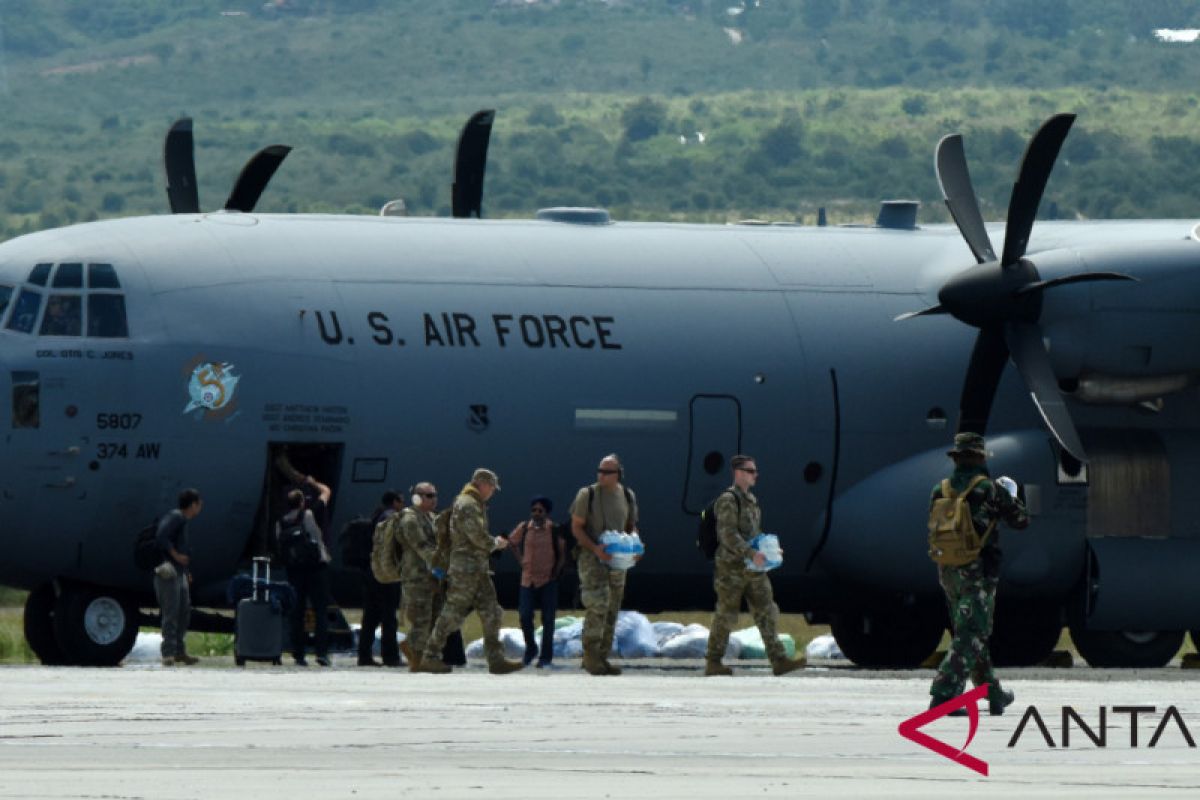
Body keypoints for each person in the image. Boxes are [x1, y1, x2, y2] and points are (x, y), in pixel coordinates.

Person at [928, 432, 1029, 716]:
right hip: (978, 570)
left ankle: (993, 693)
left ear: (958, 458)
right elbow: (1020, 520)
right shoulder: (987, 489)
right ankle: (944, 694)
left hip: (948, 569)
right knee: (973, 631)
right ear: (980, 458)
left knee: (971, 631)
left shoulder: (941, 489)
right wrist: (1009, 495)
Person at [704, 456, 805, 677]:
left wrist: (770, 552)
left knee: (767, 611)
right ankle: (713, 661)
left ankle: (779, 660)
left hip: (754, 568)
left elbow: (754, 534)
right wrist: (751, 553)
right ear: (738, 472)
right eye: (750, 471)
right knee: (726, 614)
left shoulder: (751, 500)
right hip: (731, 569)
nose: (755, 475)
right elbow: (727, 535)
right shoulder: (728, 500)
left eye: (755, 471)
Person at [415, 469, 523, 675]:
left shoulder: (473, 503)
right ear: (482, 484)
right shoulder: (468, 504)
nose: (492, 491)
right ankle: (429, 656)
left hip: (478, 569)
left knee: (492, 612)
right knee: (452, 613)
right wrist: (496, 543)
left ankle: (496, 659)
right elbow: (476, 535)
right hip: (466, 569)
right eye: (491, 487)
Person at [570, 454, 638, 676]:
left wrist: (635, 546)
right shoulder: (586, 495)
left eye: (607, 472)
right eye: (600, 470)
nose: (601, 475)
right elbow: (577, 527)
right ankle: (590, 655)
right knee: (597, 604)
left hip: (618, 561)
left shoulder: (627, 496)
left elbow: (631, 526)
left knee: (612, 608)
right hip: (592, 558)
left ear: (618, 474)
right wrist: (594, 548)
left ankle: (602, 656)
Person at [277, 481, 333, 667]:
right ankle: (322, 653)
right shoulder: (308, 514)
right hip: (315, 569)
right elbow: (316, 537)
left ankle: (298, 654)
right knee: (320, 611)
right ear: (302, 502)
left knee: (297, 612)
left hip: (294, 572)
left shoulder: (281, 521)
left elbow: (280, 546)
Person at [509, 496, 564, 668]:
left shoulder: (554, 530)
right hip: (527, 580)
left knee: (548, 619)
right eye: (534, 510)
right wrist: (521, 560)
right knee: (525, 616)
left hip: (548, 580)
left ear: (546, 513)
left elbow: (562, 553)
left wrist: (556, 572)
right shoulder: (525, 528)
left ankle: (545, 657)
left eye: (540, 511)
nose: (536, 514)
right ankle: (531, 648)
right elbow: (512, 542)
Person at [154, 488, 203, 667]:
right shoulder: (176, 517)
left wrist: (186, 570)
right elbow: (161, 537)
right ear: (193, 505)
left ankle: (179, 651)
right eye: (199, 503)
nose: (200, 507)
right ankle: (168, 653)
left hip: (180, 572)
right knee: (171, 612)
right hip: (169, 572)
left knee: (184, 612)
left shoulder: (183, 521)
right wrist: (175, 556)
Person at [397, 482, 441, 672]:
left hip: (431, 576)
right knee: (421, 619)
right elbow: (422, 546)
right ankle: (412, 652)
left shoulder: (431, 517)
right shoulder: (410, 519)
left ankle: (421, 659)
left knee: (432, 618)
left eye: (434, 495)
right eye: (429, 495)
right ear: (417, 497)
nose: (434, 499)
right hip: (416, 577)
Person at [358, 490, 403, 667]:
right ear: (395, 502)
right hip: (386, 573)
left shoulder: (376, 515)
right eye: (401, 501)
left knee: (370, 616)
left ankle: (364, 655)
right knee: (389, 617)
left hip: (372, 571)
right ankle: (390, 656)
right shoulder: (391, 517)